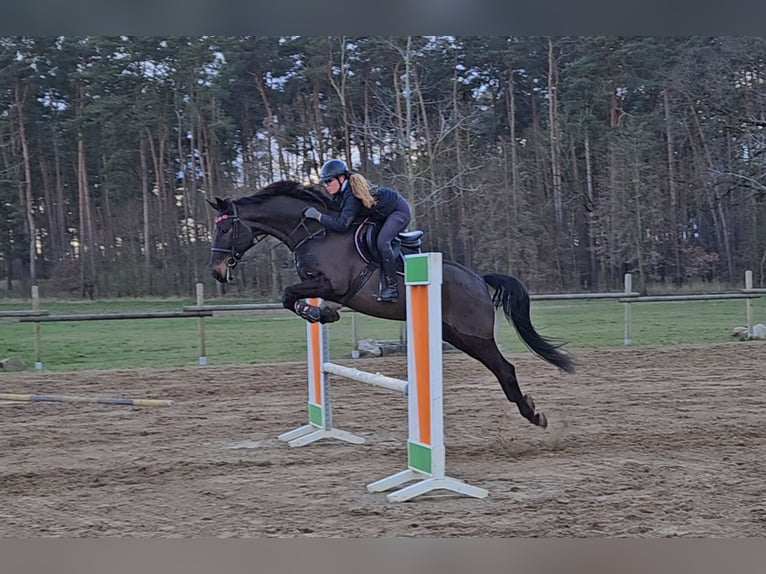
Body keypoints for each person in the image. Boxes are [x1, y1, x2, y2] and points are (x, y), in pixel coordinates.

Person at [303, 158, 411, 302]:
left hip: (398, 212)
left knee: (382, 242)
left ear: (341, 178)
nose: (326, 185)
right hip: (380, 215)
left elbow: (342, 224)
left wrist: (318, 217)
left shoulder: (351, 194)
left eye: (329, 181)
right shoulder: (340, 195)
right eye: (324, 182)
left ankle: (391, 287)